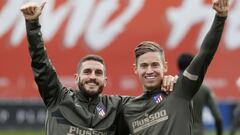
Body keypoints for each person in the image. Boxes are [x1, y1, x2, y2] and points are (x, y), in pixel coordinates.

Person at [20, 1, 176, 135]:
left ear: (105, 80)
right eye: (87, 72)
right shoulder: (58, 98)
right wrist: (33, 25)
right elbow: (41, 64)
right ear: (77, 78)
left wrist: (167, 83)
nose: (93, 76)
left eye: (98, 73)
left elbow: (149, 101)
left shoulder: (117, 107)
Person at [122, 0, 229, 134]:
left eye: (155, 65)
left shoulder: (180, 89)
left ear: (165, 67)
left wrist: (220, 18)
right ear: (135, 69)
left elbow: (204, 54)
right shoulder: (128, 109)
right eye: (144, 66)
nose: (149, 70)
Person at [177, 53, 223, 135]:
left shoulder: (169, 85)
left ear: (178, 66)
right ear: (194, 65)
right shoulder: (204, 89)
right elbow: (218, 118)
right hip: (197, 132)